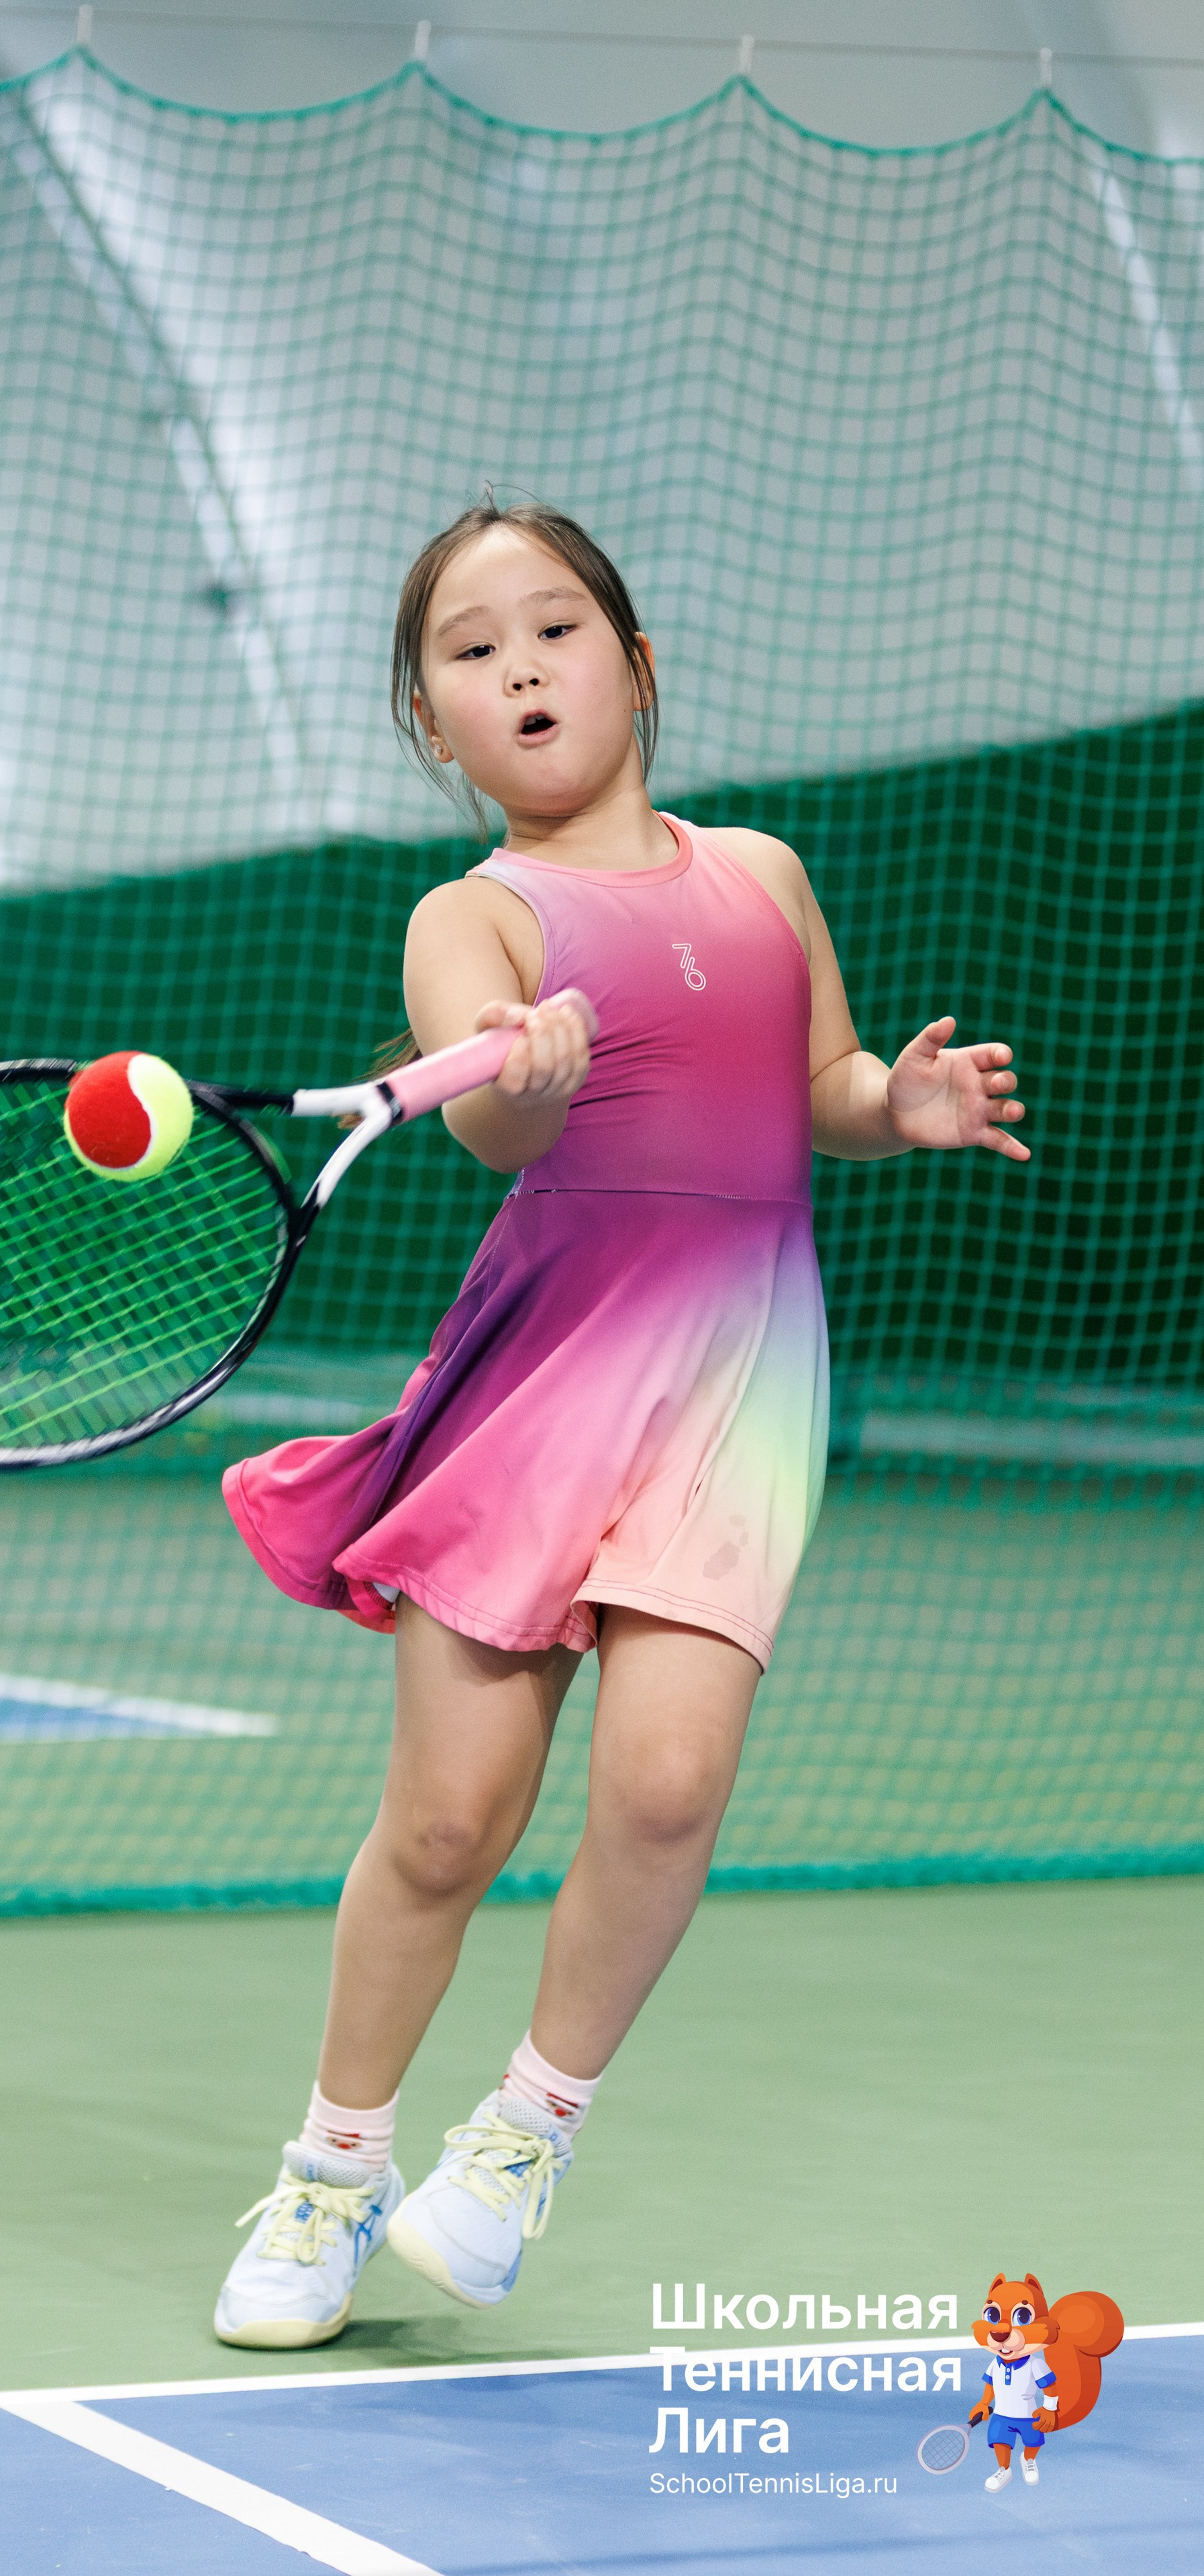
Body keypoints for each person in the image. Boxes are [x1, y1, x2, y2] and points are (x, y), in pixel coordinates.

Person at [212, 497, 1028, 2348]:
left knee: (667, 1788)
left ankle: (523, 2134)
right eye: (469, 646)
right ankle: (334, 2170)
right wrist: (527, 1074)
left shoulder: (763, 870)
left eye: (556, 624)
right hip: (549, 1375)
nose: (519, 662)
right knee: (448, 1821)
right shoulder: (473, 914)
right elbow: (495, 1115)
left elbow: (806, 1074)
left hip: (744, 1373)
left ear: (636, 664)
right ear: (435, 723)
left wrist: (889, 1103)